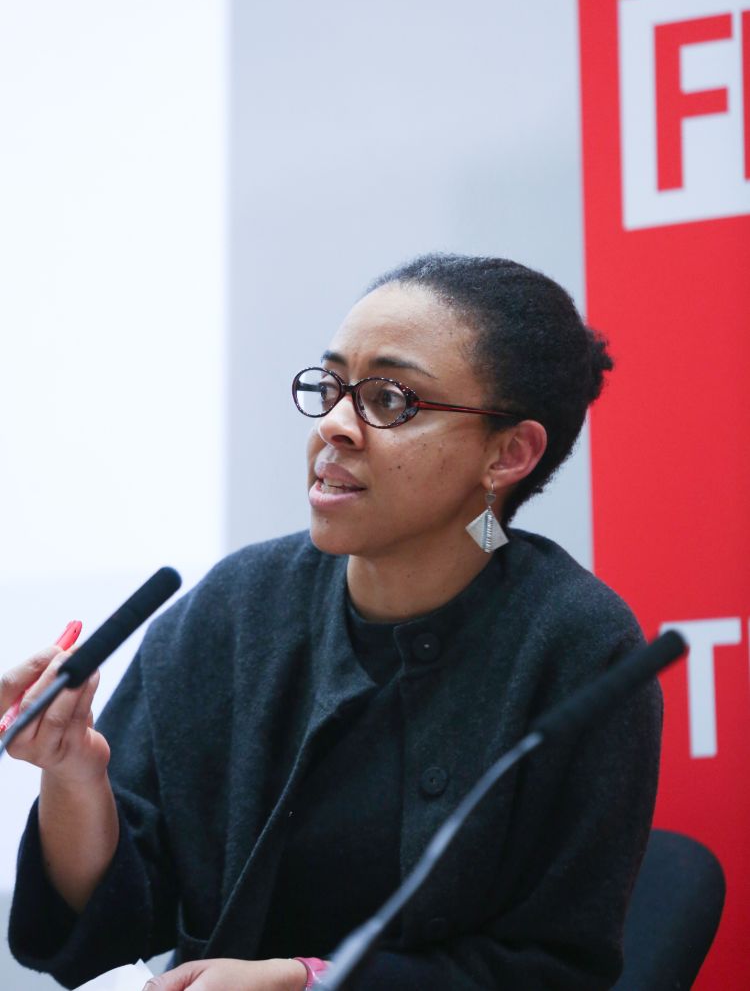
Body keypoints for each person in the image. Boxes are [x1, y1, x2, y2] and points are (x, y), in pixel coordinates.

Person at [4, 254, 662, 991]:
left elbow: (552, 969)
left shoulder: (579, 646)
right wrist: (73, 773)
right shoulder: (234, 607)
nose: (336, 425)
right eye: (331, 386)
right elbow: (113, 927)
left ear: (508, 454)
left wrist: (310, 981)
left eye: (390, 399)